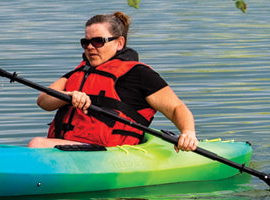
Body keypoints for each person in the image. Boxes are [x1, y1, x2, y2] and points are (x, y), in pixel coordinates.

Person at [28, 12, 199, 151]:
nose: (90, 47)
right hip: (69, 147)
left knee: (37, 144)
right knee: (35, 144)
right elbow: (43, 101)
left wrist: (188, 133)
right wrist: (69, 95)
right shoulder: (79, 72)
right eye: (85, 42)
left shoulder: (139, 74)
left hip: (111, 152)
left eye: (98, 41)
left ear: (119, 43)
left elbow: (176, 107)